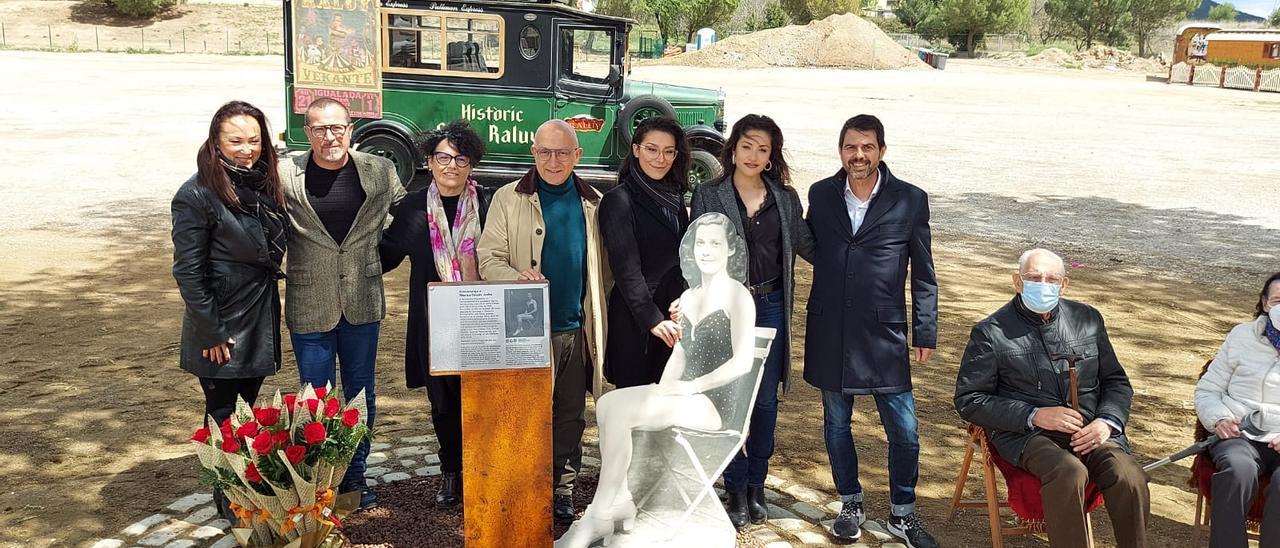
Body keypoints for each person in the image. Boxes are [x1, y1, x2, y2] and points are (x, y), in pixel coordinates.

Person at [556, 212, 757, 548]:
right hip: (683, 395)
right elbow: (680, 355)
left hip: (718, 403)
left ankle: (600, 515)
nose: (706, 250)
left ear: (731, 250)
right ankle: (617, 500)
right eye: (701, 243)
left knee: (620, 412)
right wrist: (661, 391)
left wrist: (691, 387)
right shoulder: (690, 297)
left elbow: (742, 363)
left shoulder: (739, 296)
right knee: (607, 403)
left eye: (715, 244)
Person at [955, 248, 1149, 548]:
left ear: (1064, 284)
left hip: (1091, 429)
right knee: (1068, 472)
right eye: (1033, 277)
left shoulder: (1088, 319)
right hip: (1027, 435)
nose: (1043, 284)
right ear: (1017, 282)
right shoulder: (991, 332)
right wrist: (1033, 414)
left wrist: (1107, 422)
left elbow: (1116, 381)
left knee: (1129, 475)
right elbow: (970, 398)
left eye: (1051, 278)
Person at [803, 114, 937, 546]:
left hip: (884, 335)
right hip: (831, 329)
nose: (857, 156)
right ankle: (850, 502)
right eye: (849, 147)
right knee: (837, 423)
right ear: (840, 150)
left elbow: (924, 273)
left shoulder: (910, 200)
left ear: (881, 150)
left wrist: (925, 330)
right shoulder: (820, 194)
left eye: (867, 147)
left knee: (905, 429)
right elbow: (813, 248)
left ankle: (903, 513)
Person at [477, 119, 609, 523]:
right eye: (545, 152)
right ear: (533, 153)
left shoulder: (595, 204)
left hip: (575, 329)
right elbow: (488, 258)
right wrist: (517, 278)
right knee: (524, 413)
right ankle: (522, 487)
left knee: (570, 414)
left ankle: (562, 490)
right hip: (524, 332)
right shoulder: (506, 198)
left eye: (562, 152)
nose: (553, 161)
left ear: (577, 156)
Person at [278, 97, 406, 510]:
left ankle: (354, 475)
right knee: (315, 397)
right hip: (309, 302)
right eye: (319, 128)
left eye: (337, 128)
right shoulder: (285, 175)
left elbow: (405, 219)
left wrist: (380, 260)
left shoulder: (379, 170)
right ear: (307, 131)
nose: (329, 136)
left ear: (350, 129)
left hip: (362, 302)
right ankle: (321, 480)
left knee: (360, 394)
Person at [687, 113, 813, 528]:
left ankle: (757, 483)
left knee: (764, 401)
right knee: (728, 399)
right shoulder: (708, 194)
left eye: (764, 148)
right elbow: (694, 253)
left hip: (772, 306)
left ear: (772, 153)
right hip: (725, 310)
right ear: (734, 148)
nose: (754, 155)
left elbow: (812, 246)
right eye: (748, 146)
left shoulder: (786, 198)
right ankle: (735, 486)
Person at [171, 100, 287, 520]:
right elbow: (188, 271)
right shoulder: (196, 194)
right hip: (221, 321)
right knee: (223, 414)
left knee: (246, 412)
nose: (247, 149)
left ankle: (242, 489)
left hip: (257, 313)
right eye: (236, 140)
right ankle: (230, 502)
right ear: (216, 141)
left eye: (254, 140)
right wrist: (212, 331)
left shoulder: (261, 183)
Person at [379, 120, 491, 509]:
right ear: (429, 161)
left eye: (461, 159)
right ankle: (451, 471)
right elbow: (385, 256)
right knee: (442, 402)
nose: (451, 166)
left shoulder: (488, 204)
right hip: (434, 323)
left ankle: (480, 468)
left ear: (471, 165)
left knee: (479, 398)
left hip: (481, 320)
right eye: (443, 157)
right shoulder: (412, 208)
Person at [599, 116, 692, 388]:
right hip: (637, 320)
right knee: (635, 410)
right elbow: (626, 270)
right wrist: (652, 320)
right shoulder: (618, 201)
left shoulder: (674, 197)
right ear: (636, 150)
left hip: (673, 313)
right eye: (652, 149)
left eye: (668, 151)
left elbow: (683, 257)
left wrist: (686, 297)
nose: (660, 159)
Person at [1194, 272, 1280, 548]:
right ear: (1265, 304)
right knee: (1237, 471)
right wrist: (1219, 419)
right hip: (1239, 434)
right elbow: (1208, 390)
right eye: (1278, 299)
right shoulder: (1241, 336)